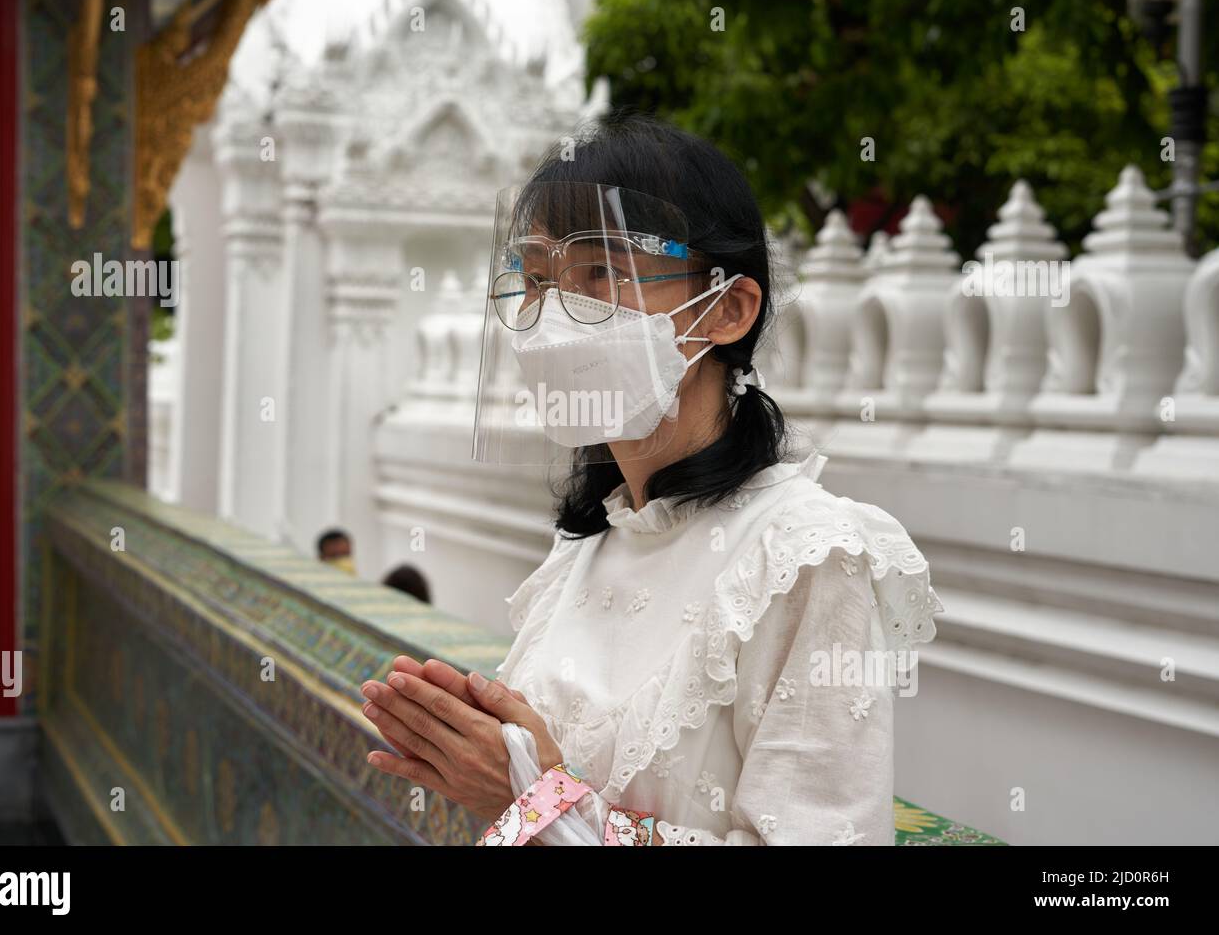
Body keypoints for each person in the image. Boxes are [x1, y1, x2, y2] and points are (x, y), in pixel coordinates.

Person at [358, 110, 941, 845]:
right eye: (536, 279)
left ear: (728, 309)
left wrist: (536, 803)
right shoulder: (589, 547)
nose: (553, 314)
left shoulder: (804, 555)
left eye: (600, 270)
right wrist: (497, 773)